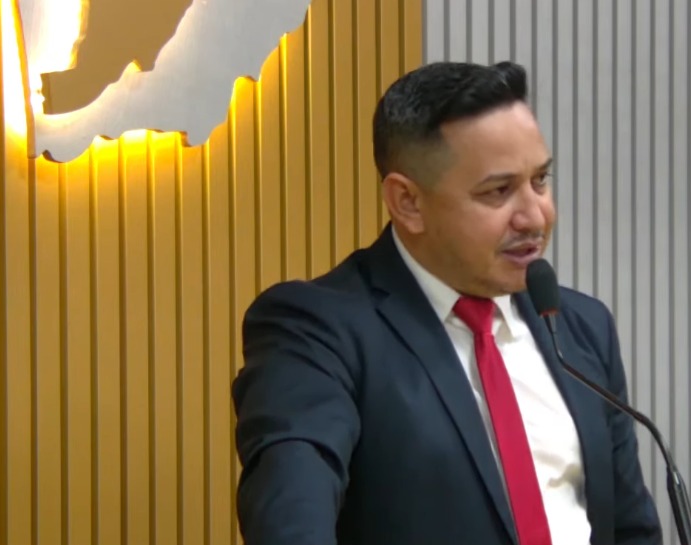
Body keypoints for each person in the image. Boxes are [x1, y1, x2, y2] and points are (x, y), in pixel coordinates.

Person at [232, 60, 662, 545]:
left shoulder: (581, 326)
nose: (535, 216)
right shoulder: (315, 329)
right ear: (408, 202)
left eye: (540, 180)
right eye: (499, 191)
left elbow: (631, 529)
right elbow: (290, 520)